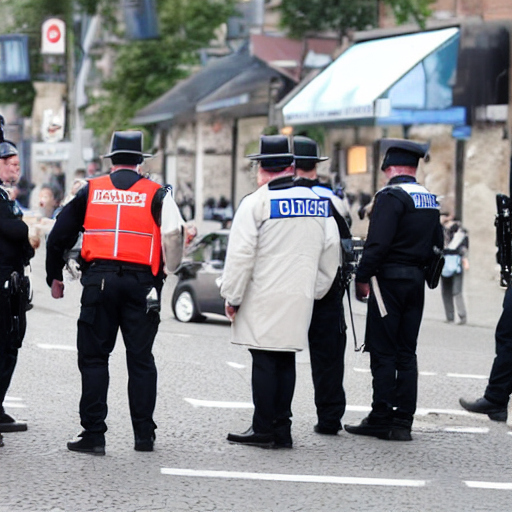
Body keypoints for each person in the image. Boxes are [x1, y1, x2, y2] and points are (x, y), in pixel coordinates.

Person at [46, 130, 185, 455]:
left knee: (94, 359)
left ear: (112, 160)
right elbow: (175, 234)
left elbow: (58, 236)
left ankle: (93, 435)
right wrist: (166, 272)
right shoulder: (157, 194)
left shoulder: (91, 190)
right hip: (142, 285)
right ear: (139, 161)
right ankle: (143, 436)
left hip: (100, 283)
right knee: (140, 360)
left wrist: (55, 277)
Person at [220, 135, 340, 449]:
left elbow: (241, 255)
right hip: (298, 294)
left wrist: (232, 296)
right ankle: (282, 428)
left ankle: (262, 428)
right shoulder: (318, 202)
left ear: (261, 168)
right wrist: (315, 289)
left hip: (262, 294)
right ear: (290, 166)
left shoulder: (256, 202)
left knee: (263, 359)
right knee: (285, 359)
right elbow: (331, 251)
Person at [344, 138, 443, 442]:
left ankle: (381, 416)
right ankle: (403, 421)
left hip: (388, 282)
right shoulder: (429, 198)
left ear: (390, 167)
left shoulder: (390, 196)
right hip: (416, 282)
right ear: (413, 167)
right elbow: (438, 242)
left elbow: (378, 243)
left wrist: (362, 276)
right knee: (406, 352)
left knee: (384, 352)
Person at [293, 135, 351, 435]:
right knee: (329, 357)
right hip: (328, 288)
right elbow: (346, 243)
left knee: (277, 352)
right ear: (316, 165)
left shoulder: (281, 196)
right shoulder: (334, 200)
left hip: (288, 284)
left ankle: (275, 417)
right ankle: (329, 418)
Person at [0, 133, 36, 442]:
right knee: (2, 349)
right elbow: (14, 231)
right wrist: (29, 228)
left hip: (11, 285)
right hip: (1, 284)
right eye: (10, 164)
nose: (16, 170)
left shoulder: (4, 197)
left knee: (10, 347)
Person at [440, 213, 469, 324]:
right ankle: (460, 316)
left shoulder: (445, 231)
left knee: (448, 291)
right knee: (455, 291)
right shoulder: (462, 232)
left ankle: (451, 316)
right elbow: (465, 248)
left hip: (448, 262)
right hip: (456, 263)